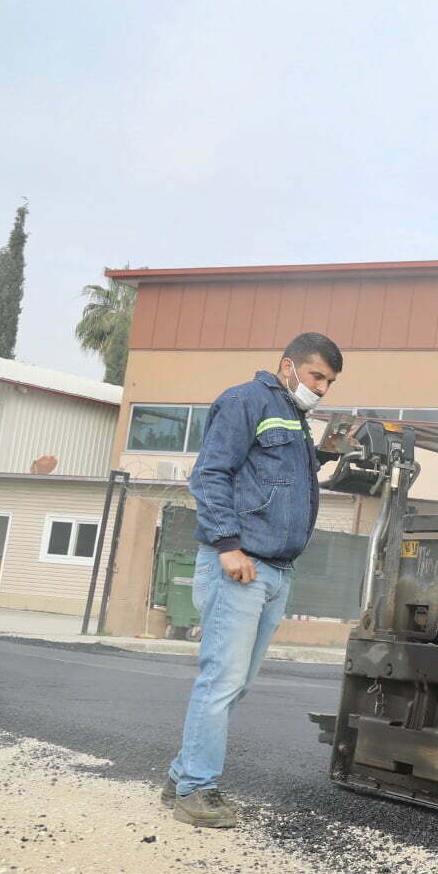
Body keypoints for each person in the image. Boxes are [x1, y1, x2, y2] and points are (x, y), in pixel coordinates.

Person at [164, 332, 347, 828]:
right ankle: (195, 791)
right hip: (241, 565)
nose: (322, 389)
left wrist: (325, 456)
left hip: (275, 569)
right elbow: (210, 475)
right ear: (288, 366)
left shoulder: (293, 417)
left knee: (236, 682)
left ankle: (182, 775)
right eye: (316, 377)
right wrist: (228, 545)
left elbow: (274, 481)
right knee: (221, 680)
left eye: (329, 382)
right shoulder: (245, 401)